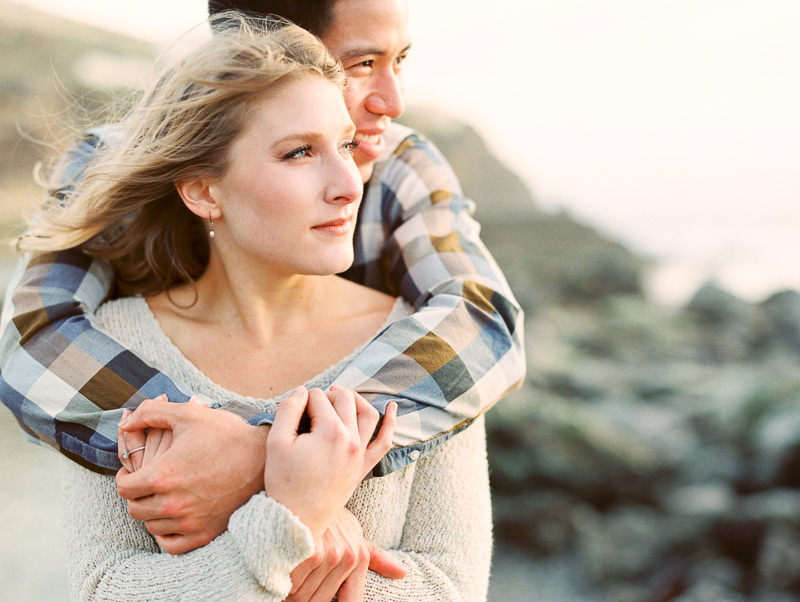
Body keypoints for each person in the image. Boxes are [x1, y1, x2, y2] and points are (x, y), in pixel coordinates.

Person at [1, 0, 520, 570]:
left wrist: (271, 456)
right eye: (362, 63)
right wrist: (250, 476)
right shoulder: (118, 159)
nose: (392, 102)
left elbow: (480, 322)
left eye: (400, 61)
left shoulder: (396, 159)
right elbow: (34, 336)